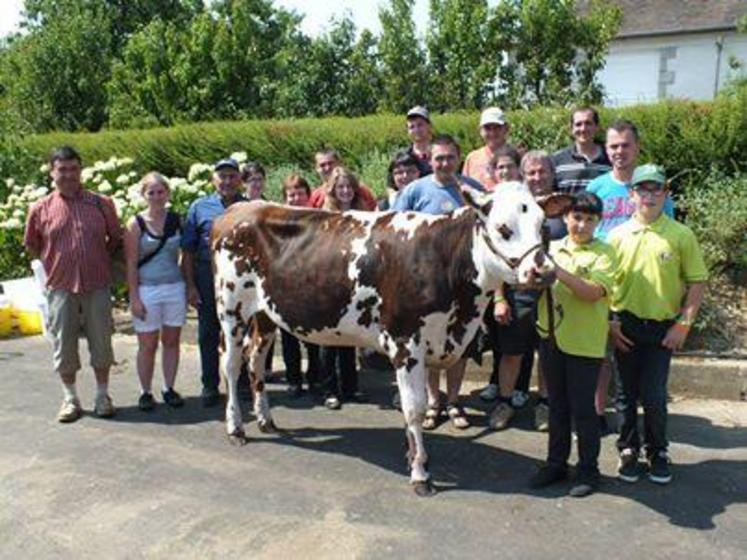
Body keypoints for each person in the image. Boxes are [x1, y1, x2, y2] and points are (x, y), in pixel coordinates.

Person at [608, 164, 707, 485]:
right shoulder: (617, 236)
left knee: (653, 395)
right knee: (624, 394)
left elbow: (697, 282)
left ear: (666, 194)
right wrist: (610, 322)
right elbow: (605, 286)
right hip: (625, 324)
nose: (649, 196)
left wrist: (683, 325)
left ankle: (658, 450)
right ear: (631, 194)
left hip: (663, 327)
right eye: (642, 189)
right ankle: (627, 448)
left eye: (656, 190)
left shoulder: (681, 234)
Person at [24, 146, 122, 422]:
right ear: (51, 172)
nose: (68, 175)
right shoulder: (39, 208)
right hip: (60, 287)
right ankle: (70, 399)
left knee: (102, 344)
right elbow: (33, 245)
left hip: (97, 284)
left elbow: (114, 238)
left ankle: (103, 396)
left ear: (81, 170)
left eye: (73, 169)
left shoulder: (101, 203)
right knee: (64, 346)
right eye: (62, 169)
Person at [529, 192, 616, 497]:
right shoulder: (550, 248)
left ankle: (589, 471)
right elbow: (531, 282)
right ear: (565, 218)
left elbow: (592, 293)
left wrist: (557, 272)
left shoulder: (605, 253)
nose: (581, 225)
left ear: (598, 222)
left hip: (585, 343)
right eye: (576, 217)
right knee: (557, 407)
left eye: (589, 219)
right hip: (551, 337)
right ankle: (556, 464)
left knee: (584, 410)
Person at [392, 134, 483, 429]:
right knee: (427, 345)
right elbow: (392, 232)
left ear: (459, 158)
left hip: (465, 285)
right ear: (429, 161)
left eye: (449, 157)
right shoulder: (414, 190)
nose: (444, 163)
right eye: (438, 158)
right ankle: (434, 401)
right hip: (424, 286)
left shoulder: (475, 192)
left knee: (458, 347)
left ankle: (455, 401)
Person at [182, 157, 246, 407]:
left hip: (241, 280)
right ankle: (209, 385)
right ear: (214, 180)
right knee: (208, 332)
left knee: (241, 331)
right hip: (207, 276)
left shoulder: (249, 207)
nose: (227, 181)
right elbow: (187, 250)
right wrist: (190, 285)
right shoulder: (199, 207)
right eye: (222, 176)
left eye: (232, 176)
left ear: (239, 179)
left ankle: (241, 384)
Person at [124, 172, 186, 411]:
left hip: (174, 287)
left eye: (161, 192)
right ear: (143, 195)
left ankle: (169, 388)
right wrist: (134, 297)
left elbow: (185, 255)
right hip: (147, 290)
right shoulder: (135, 224)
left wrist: (188, 284)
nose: (157, 196)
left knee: (171, 341)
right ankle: (145, 391)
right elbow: (130, 263)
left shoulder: (176, 220)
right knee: (147, 345)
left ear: (167, 193)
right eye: (151, 192)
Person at [319, 167, 371, 409]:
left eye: (349, 187)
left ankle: (351, 386)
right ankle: (329, 389)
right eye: (340, 187)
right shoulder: (325, 216)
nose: (345, 191)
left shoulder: (363, 214)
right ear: (333, 190)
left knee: (349, 335)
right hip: (329, 279)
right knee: (328, 338)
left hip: (354, 281)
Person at [586, 120, 674, 241]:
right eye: (614, 146)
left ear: (637, 147)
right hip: (605, 256)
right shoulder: (594, 188)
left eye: (625, 145)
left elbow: (670, 230)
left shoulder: (656, 188)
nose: (619, 151)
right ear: (606, 149)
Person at [280, 173, 322, 397]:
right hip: (286, 285)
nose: (295, 198)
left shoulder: (319, 220)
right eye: (291, 195)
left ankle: (315, 378)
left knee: (314, 337)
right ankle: (293, 378)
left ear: (308, 195)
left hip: (313, 284)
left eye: (299, 194)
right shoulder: (279, 223)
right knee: (289, 337)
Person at [552, 107, 611, 194]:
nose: (583, 129)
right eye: (578, 124)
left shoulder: (611, 158)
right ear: (571, 129)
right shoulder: (556, 161)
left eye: (588, 123)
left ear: (597, 127)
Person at [308, 149, 377, 210]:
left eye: (330, 163)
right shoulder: (316, 197)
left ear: (339, 163)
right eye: (322, 165)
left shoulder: (361, 191)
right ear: (316, 168)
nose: (327, 168)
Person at [463, 107, 511, 191]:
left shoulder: (517, 157)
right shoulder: (472, 158)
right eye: (487, 128)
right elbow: (465, 189)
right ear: (480, 131)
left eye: (497, 127)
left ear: (506, 128)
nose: (492, 133)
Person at [404, 105, 434, 176]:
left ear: (429, 126)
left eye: (420, 125)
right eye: (412, 127)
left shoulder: (441, 152)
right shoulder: (404, 156)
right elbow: (392, 185)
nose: (416, 130)